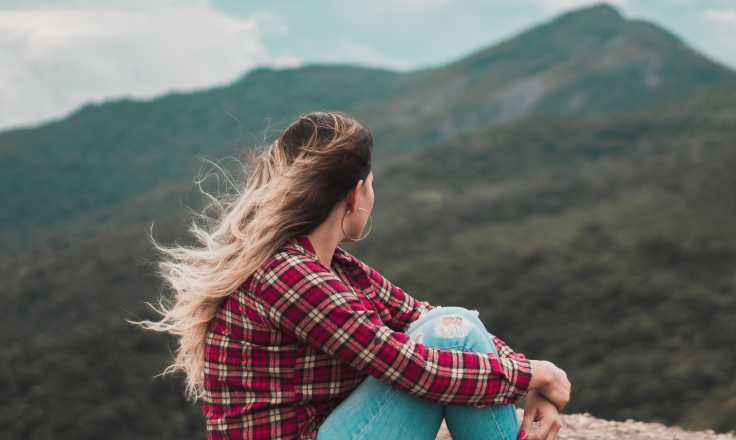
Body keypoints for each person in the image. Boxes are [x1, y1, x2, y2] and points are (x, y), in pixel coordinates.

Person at [129, 111, 571, 440]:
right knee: (443, 338)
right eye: (372, 185)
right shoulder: (290, 276)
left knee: (447, 323)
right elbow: (411, 366)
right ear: (356, 194)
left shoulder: (330, 267)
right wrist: (532, 376)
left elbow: (429, 316)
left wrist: (532, 379)